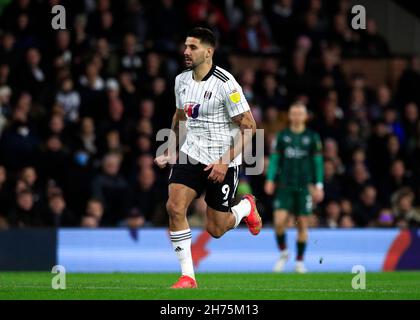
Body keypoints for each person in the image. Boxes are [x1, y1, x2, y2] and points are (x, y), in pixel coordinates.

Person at [154, 28, 262, 289]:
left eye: (192, 47)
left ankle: (246, 206)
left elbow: (250, 127)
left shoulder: (226, 84)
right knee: (174, 207)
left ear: (208, 52)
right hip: (191, 154)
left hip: (223, 160)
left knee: (216, 228)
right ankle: (188, 277)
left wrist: (224, 161)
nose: (186, 52)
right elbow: (180, 117)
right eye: (185, 47)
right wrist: (170, 148)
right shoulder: (181, 81)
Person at [265, 102, 324, 273]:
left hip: (304, 187)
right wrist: (270, 179)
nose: (297, 116)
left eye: (300, 113)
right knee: (278, 222)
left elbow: (318, 163)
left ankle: (299, 261)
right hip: (284, 185)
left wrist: (319, 185)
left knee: (303, 224)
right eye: (294, 113)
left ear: (305, 116)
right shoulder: (282, 136)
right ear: (290, 116)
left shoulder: (312, 137)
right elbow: (275, 159)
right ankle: (284, 252)